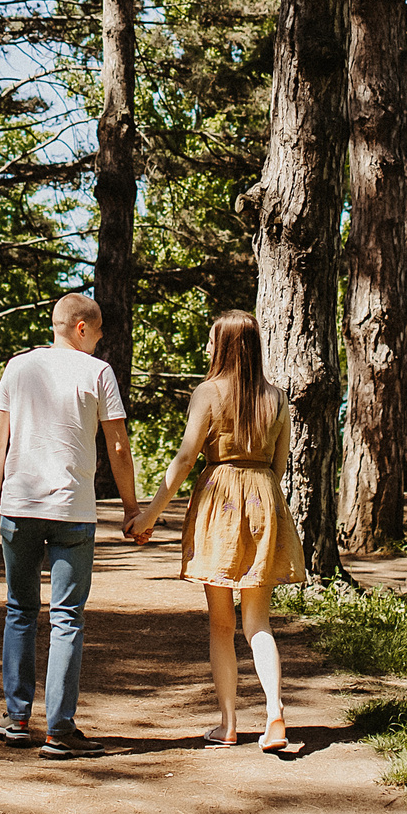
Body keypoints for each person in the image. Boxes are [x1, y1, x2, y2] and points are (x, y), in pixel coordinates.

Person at [129, 308, 306, 752]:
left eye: (212, 340)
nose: (207, 347)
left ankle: (228, 725)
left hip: (220, 503)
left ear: (224, 346)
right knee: (258, 621)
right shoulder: (277, 398)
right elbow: (280, 466)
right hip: (264, 498)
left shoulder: (207, 393)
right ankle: (274, 712)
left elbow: (187, 457)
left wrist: (151, 514)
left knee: (221, 625)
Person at [0, 291, 142, 759]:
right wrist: (131, 508)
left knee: (20, 610)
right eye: (101, 328)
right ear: (82, 328)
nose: (102, 337)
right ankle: (59, 730)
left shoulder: (18, 367)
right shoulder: (98, 373)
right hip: (73, 511)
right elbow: (119, 449)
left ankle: (15, 719)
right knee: (67, 617)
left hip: (20, 506)